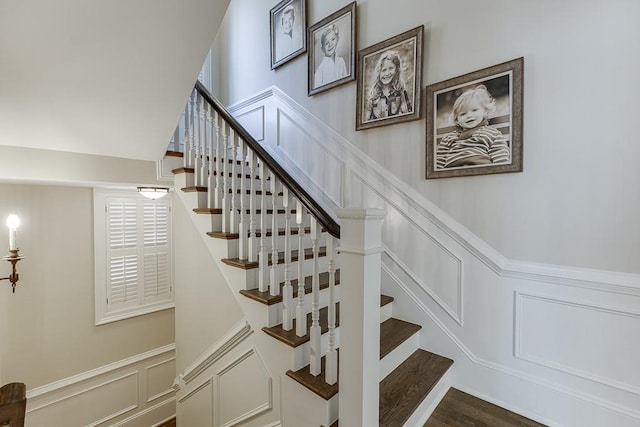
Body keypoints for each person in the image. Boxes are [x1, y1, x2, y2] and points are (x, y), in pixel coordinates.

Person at [436, 85, 510, 169]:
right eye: (463, 114)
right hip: (452, 175)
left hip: (480, 173)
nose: (469, 116)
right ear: (457, 119)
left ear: (485, 111)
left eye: (474, 110)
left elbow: (501, 161)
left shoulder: (493, 134)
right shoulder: (448, 139)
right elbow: (438, 165)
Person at [366, 50, 412, 120]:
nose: (387, 73)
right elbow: (367, 120)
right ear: (379, 72)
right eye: (383, 70)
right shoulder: (373, 96)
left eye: (391, 68)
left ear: (396, 69)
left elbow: (408, 115)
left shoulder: (401, 92)